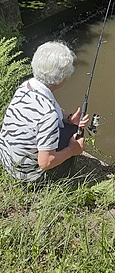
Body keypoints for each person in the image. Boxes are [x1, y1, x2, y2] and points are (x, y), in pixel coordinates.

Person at [0, 41, 89, 182]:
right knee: (74, 133)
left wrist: (68, 118)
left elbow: (47, 107)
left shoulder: (26, 86)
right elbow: (45, 162)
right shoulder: (49, 116)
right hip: (27, 176)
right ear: (61, 79)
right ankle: (62, 179)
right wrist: (72, 150)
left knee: (71, 125)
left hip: (7, 161)